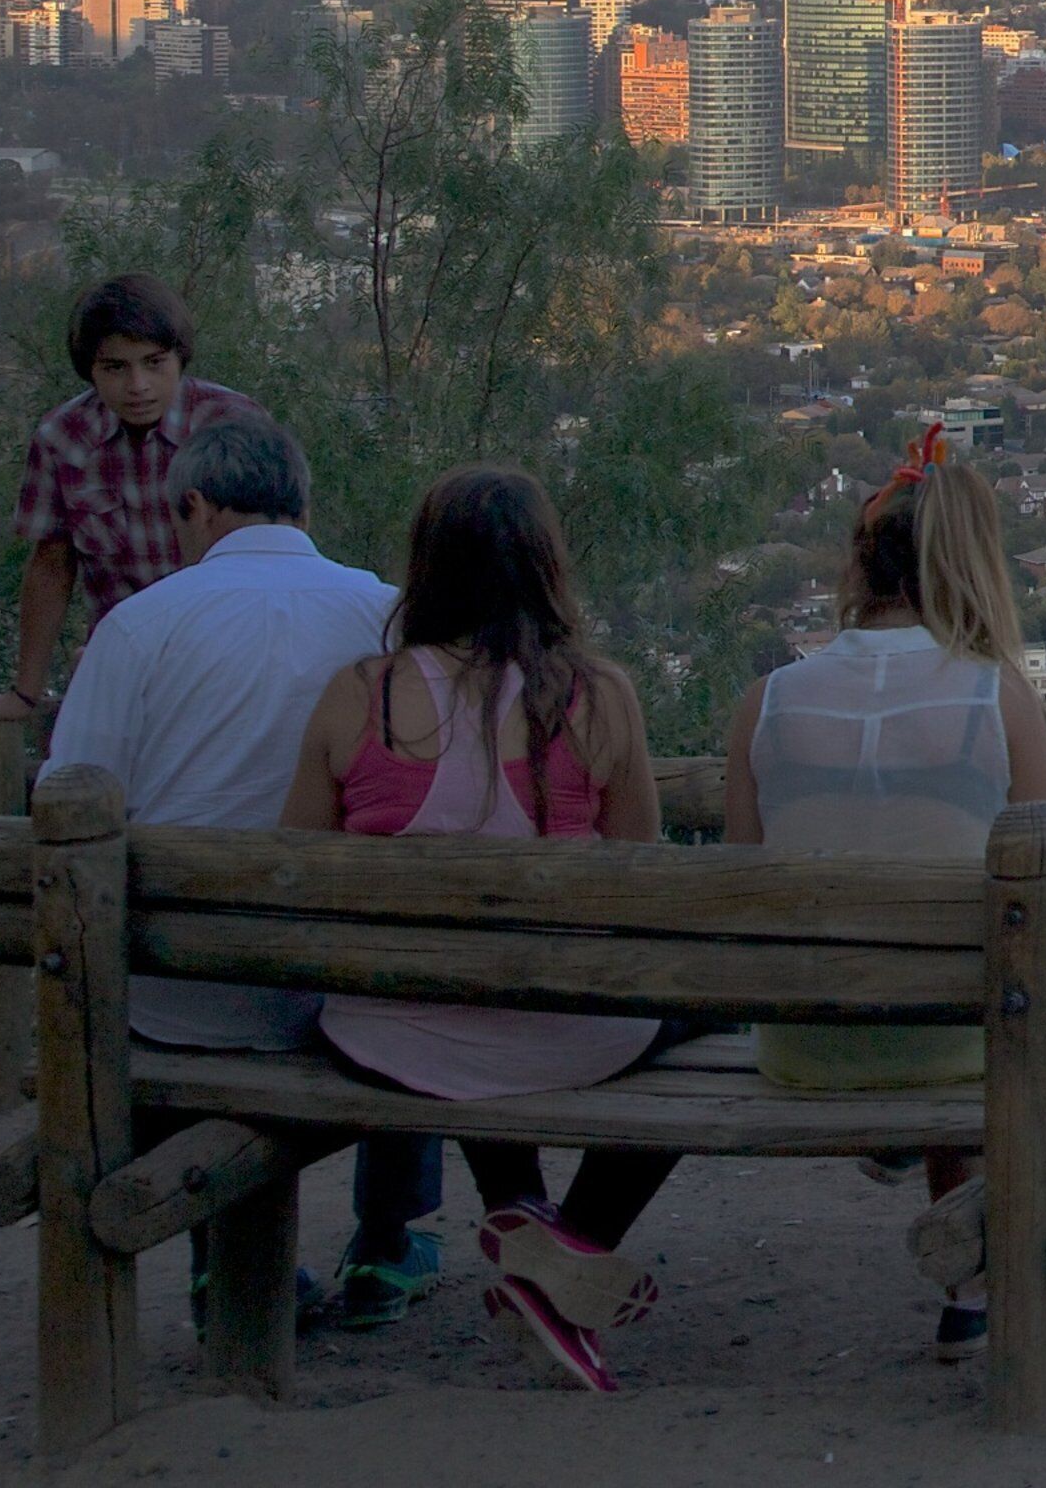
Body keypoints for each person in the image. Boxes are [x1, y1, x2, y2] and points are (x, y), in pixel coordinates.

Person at [29, 413, 447, 1325]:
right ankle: (388, 1242)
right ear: (302, 503)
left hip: (182, 994)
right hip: (345, 999)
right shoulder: (386, 617)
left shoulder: (138, 630)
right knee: (414, 966)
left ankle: (223, 1257)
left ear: (196, 507)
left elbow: (69, 798)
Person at [283, 465, 677, 1394]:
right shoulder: (600, 695)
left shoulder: (356, 696)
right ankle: (568, 1247)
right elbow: (645, 876)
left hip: (390, 1033)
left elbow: (292, 864)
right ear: (547, 569)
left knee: (462, 1011)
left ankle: (536, 1246)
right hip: (554, 1026)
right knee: (696, 1029)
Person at [723, 429, 1046, 1365]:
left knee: (954, 973)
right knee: (988, 983)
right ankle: (975, 1289)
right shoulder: (998, 701)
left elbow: (741, 887)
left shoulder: (768, 704)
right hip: (953, 1044)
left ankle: (963, 1266)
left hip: (803, 1046)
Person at [0, 274, 264, 737]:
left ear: (180, 358)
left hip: (231, 663)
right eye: (115, 368)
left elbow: (277, 548)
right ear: (90, 370)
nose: (138, 385)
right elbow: (52, 564)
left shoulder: (233, 426)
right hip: (122, 667)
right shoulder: (63, 439)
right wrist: (25, 692)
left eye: (154, 363)